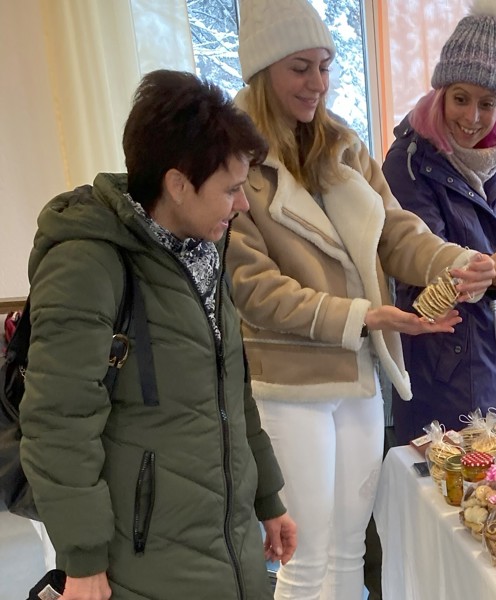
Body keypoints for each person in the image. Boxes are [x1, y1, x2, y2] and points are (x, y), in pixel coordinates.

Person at [226, 0, 496, 598]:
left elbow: (396, 232)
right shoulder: (233, 162)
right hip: (291, 385)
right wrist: (363, 315)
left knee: (351, 551)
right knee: (306, 559)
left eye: (324, 65)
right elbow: (253, 288)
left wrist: (456, 261)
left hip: (360, 376)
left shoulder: (342, 145)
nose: (317, 83)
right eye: (300, 67)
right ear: (262, 69)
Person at [19, 70, 296, 600]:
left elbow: (231, 391)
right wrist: (83, 561)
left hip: (228, 547)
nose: (242, 205)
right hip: (143, 561)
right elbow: (59, 421)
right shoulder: (87, 264)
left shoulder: (204, 253)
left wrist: (268, 497)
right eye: (231, 190)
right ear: (177, 183)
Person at [382, 0, 496, 443]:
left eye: (487, 103)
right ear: (440, 93)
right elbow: (419, 285)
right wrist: (489, 275)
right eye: (460, 99)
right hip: (445, 378)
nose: (472, 118)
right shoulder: (409, 166)